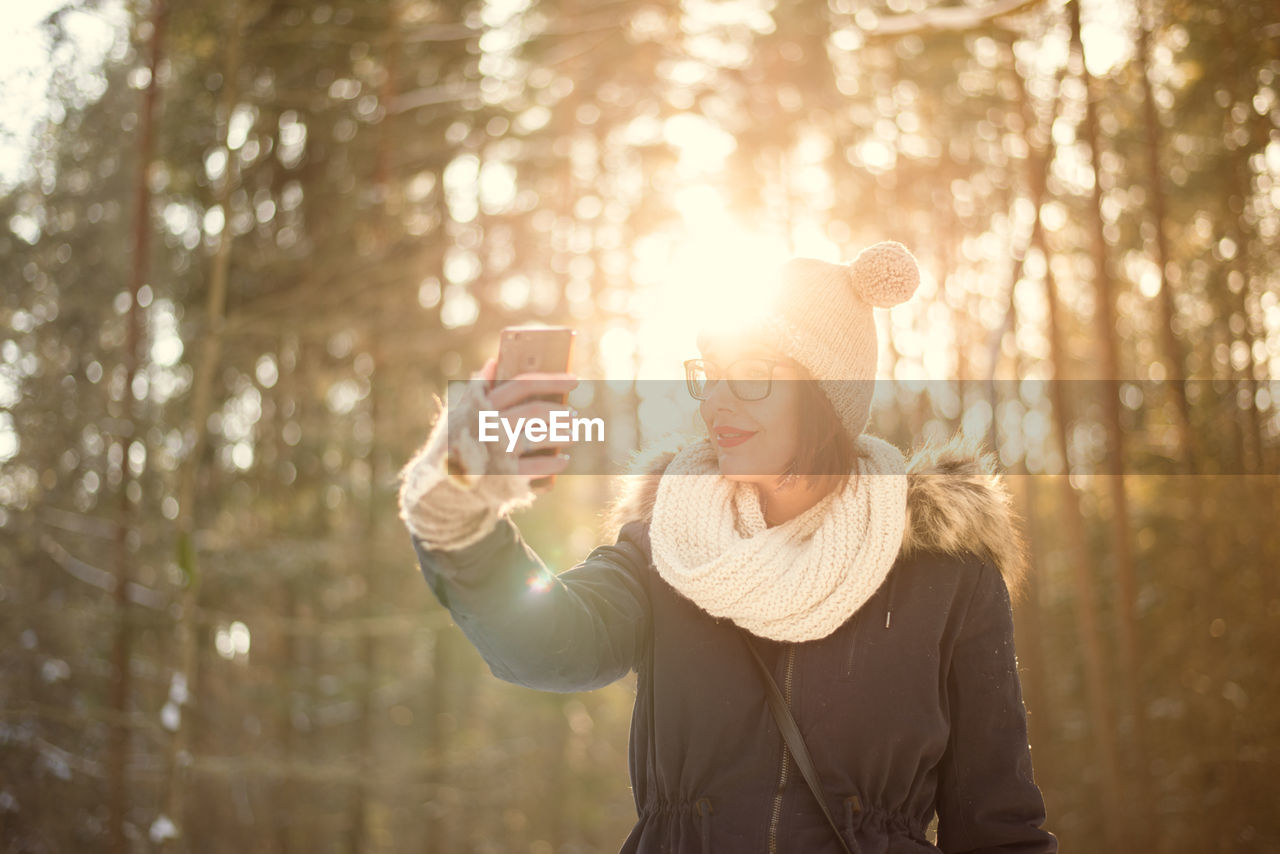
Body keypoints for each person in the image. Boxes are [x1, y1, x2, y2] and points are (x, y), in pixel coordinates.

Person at [396, 241, 1058, 853]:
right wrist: (461, 509)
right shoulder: (667, 547)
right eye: (708, 374)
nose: (715, 402)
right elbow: (550, 642)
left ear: (825, 392)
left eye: (749, 374)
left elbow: (998, 823)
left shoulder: (945, 576)